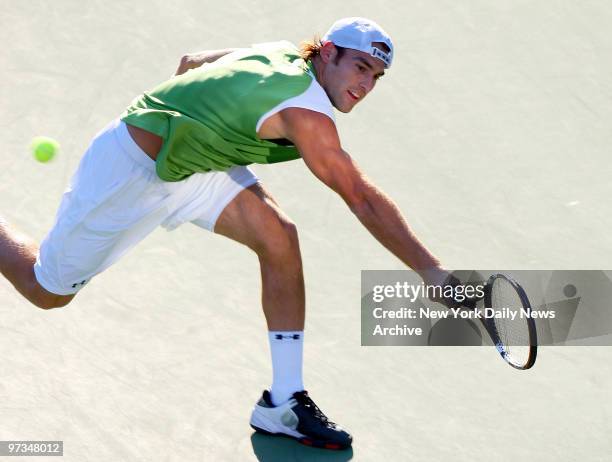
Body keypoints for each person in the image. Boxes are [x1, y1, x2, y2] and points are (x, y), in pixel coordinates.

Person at [0, 17, 451, 450]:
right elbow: (361, 197)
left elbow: (192, 62)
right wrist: (431, 272)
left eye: (377, 76)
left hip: (193, 165)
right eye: (360, 67)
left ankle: (284, 403)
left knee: (278, 238)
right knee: (45, 290)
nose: (366, 85)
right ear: (329, 53)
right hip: (128, 173)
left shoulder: (282, 54)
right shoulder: (307, 114)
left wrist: (194, 128)